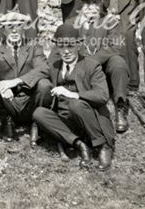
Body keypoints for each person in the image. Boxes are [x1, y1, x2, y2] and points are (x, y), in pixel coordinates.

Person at [32, 23, 117, 169]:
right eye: (61, 46)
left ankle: (102, 146)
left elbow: (102, 95)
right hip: (67, 121)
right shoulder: (54, 66)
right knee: (39, 113)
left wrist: (73, 94)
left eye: (70, 46)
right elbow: (37, 73)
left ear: (79, 45)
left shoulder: (91, 65)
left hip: (89, 118)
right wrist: (13, 82)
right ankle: (79, 143)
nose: (65, 51)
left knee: (75, 104)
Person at [0, 10, 50, 142]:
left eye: (18, 27)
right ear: (3, 31)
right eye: (10, 27)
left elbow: (43, 68)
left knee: (45, 85)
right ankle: (6, 121)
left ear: (24, 29)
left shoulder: (33, 46)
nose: (14, 31)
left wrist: (16, 81)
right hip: (7, 101)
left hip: (29, 99)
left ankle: (36, 123)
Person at [67, 0, 130, 133]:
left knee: (118, 63)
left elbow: (116, 47)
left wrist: (93, 60)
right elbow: (66, 46)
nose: (92, 8)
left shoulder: (111, 22)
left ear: (101, 4)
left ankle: (120, 106)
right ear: (81, 6)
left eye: (96, 3)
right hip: (81, 70)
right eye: (88, 4)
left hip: (103, 67)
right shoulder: (71, 23)